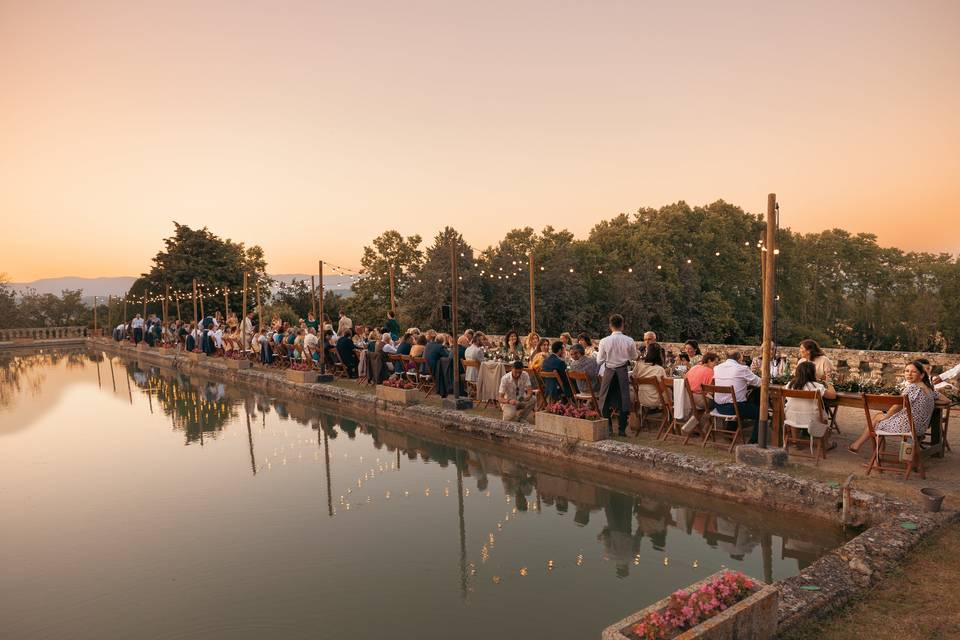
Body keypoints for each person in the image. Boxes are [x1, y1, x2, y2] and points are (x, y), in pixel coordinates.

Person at [849, 360, 938, 452]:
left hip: (909, 427)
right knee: (878, 416)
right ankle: (857, 445)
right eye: (907, 371)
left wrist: (886, 417)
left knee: (877, 423)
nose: (909, 374)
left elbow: (898, 406)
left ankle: (874, 459)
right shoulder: (929, 389)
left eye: (914, 372)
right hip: (921, 427)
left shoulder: (913, 387)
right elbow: (946, 400)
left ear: (922, 375)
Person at [597, 314, 639, 436]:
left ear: (610, 326)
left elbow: (599, 360)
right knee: (624, 400)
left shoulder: (604, 341)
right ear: (622, 325)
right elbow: (634, 357)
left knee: (604, 400)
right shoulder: (629, 340)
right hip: (622, 371)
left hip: (609, 370)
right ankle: (621, 430)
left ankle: (608, 427)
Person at [783, 360, 837, 446]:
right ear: (812, 373)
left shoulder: (789, 385)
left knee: (794, 412)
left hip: (791, 418)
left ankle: (795, 440)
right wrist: (829, 382)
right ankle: (825, 443)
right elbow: (833, 395)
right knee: (824, 419)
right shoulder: (816, 386)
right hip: (812, 419)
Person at [712, 350, 762, 442]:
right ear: (739, 359)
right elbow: (759, 382)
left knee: (744, 400)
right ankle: (754, 440)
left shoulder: (717, 368)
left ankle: (730, 430)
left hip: (718, 407)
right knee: (761, 412)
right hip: (734, 408)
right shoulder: (742, 369)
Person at [631, 342, 667, 410]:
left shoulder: (639, 365)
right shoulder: (659, 369)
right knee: (669, 391)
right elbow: (663, 388)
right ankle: (671, 415)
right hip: (655, 399)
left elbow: (633, 378)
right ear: (659, 355)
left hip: (641, 398)